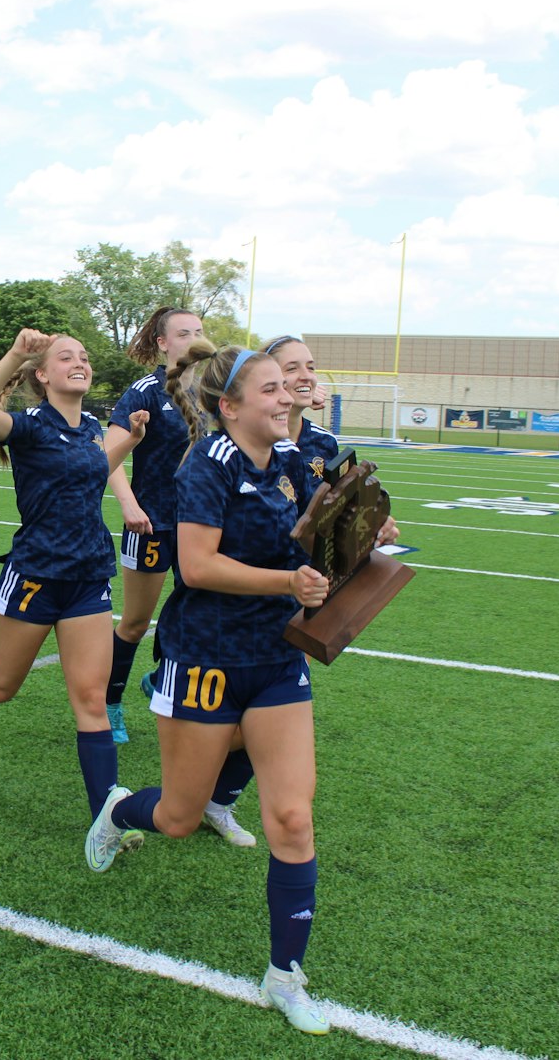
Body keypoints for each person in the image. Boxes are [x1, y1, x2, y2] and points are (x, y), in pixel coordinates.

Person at [82, 342, 350, 1034]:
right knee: (176, 815)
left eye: (286, 388)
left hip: (275, 658)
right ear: (229, 406)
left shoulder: (295, 463)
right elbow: (196, 567)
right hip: (203, 657)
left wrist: (363, 537)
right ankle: (117, 811)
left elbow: (325, 531)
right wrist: (287, 583)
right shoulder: (204, 464)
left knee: (291, 818)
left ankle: (284, 974)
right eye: (269, 389)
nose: (285, 397)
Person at [0, 329, 148, 841]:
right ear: (42, 375)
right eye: (66, 357)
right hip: (36, 575)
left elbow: (91, 472)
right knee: (1, 687)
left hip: (89, 575)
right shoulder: (28, 426)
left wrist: (127, 440)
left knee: (91, 700)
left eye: (84, 356)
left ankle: (104, 820)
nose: (80, 362)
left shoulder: (92, 427)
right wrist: (15, 353)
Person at [102, 308, 205, 746]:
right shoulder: (145, 391)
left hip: (201, 525)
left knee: (198, 614)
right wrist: (128, 504)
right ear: (163, 343)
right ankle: (108, 703)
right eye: (185, 333)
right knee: (135, 621)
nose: (196, 339)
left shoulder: (216, 390)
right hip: (151, 524)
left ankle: (161, 678)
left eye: (200, 331)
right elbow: (109, 454)